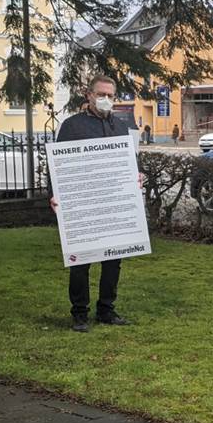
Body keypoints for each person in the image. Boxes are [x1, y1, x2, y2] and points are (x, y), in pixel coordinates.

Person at [54, 75, 136, 332]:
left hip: (113, 204)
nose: (106, 100)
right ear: (89, 95)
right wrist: (55, 195)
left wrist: (137, 176)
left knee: (114, 260)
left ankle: (106, 310)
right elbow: (58, 164)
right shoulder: (72, 126)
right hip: (83, 205)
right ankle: (79, 313)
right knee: (81, 262)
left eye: (111, 96)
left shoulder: (121, 127)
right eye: (101, 95)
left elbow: (129, 162)